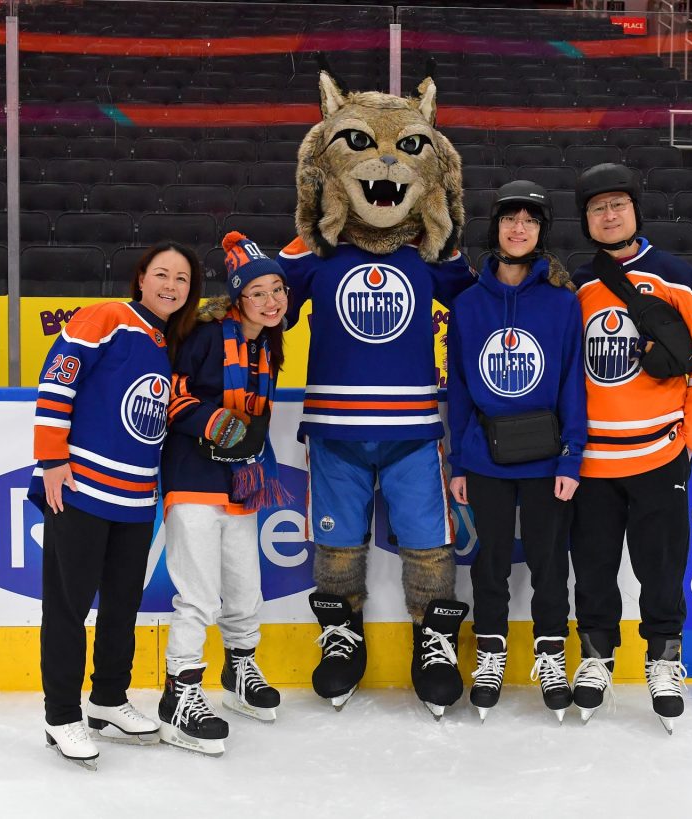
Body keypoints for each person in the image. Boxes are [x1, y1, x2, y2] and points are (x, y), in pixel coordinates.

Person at [279, 65, 476, 718]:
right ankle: (343, 637)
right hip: (334, 434)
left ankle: (434, 641)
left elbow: (483, 306)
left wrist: (537, 285)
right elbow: (265, 303)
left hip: (413, 434)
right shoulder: (314, 251)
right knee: (336, 545)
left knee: (428, 542)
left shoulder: (428, 254)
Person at [29, 241, 202, 770]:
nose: (171, 285)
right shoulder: (106, 318)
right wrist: (51, 458)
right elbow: (57, 380)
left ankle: (107, 699)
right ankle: (61, 715)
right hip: (80, 487)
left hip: (135, 497)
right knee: (68, 606)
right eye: (162, 274)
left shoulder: (166, 343)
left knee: (122, 606)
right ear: (141, 278)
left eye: (182, 279)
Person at [563, 163, 692, 733]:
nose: (609, 216)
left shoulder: (679, 276)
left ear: (635, 210)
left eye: (618, 205)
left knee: (661, 568)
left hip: (659, 455)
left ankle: (663, 659)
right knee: (594, 568)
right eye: (597, 208)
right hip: (593, 462)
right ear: (586, 220)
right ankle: (597, 657)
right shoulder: (578, 284)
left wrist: (690, 441)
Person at [446, 181, 587, 722]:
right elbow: (460, 388)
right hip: (485, 456)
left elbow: (573, 383)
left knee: (551, 563)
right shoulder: (467, 305)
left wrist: (571, 457)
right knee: (491, 564)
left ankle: (551, 656)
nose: (519, 227)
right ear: (496, 228)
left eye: (530, 219)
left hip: (548, 458)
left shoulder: (563, 303)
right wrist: (460, 461)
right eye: (510, 218)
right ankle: (491, 656)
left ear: (541, 231)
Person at [156, 231, 292, 756]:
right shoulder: (206, 335)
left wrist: (242, 438)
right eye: (257, 292)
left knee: (244, 587)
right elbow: (171, 395)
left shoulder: (266, 344)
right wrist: (220, 424)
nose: (271, 300)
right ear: (238, 297)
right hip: (193, 476)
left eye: (277, 289)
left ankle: (239, 670)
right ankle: (180, 694)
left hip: (239, 479)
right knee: (198, 595)